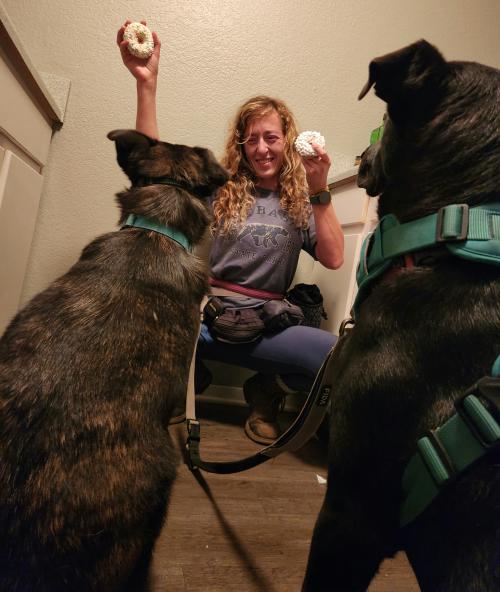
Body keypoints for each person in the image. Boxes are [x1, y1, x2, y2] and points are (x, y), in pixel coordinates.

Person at [117, 20, 344, 444]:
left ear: (287, 141)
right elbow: (153, 172)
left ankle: (267, 391)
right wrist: (146, 85)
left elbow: (333, 258)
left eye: (271, 137)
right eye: (252, 139)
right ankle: (187, 380)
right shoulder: (221, 187)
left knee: (334, 355)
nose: (261, 148)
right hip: (209, 315)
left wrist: (320, 189)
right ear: (241, 145)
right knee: (141, 319)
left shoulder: (302, 200)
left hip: (267, 325)